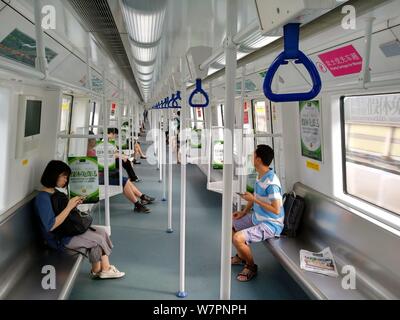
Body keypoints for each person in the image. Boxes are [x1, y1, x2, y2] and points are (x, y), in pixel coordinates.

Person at [34, 160, 125, 279]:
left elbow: (62, 213)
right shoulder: (42, 199)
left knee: (102, 232)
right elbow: (51, 226)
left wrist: (73, 205)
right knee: (96, 239)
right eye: (64, 177)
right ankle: (106, 269)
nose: (66, 180)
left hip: (66, 231)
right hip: (59, 239)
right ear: (54, 175)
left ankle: (97, 270)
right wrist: (69, 206)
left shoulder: (53, 192)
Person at [231, 145, 285, 282]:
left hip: (271, 224)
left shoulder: (272, 183)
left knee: (238, 238)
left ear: (259, 160)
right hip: (258, 218)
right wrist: (243, 212)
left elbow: (277, 210)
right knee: (230, 224)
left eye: (253, 155)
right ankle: (241, 257)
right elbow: (254, 195)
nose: (251, 157)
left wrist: (254, 199)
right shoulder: (259, 175)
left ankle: (251, 266)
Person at [89, 132, 154, 213]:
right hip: (98, 178)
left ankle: (141, 198)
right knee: (124, 181)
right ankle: (138, 203)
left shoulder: (94, 150)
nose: (94, 141)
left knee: (124, 180)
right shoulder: (91, 152)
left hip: (103, 174)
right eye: (92, 140)